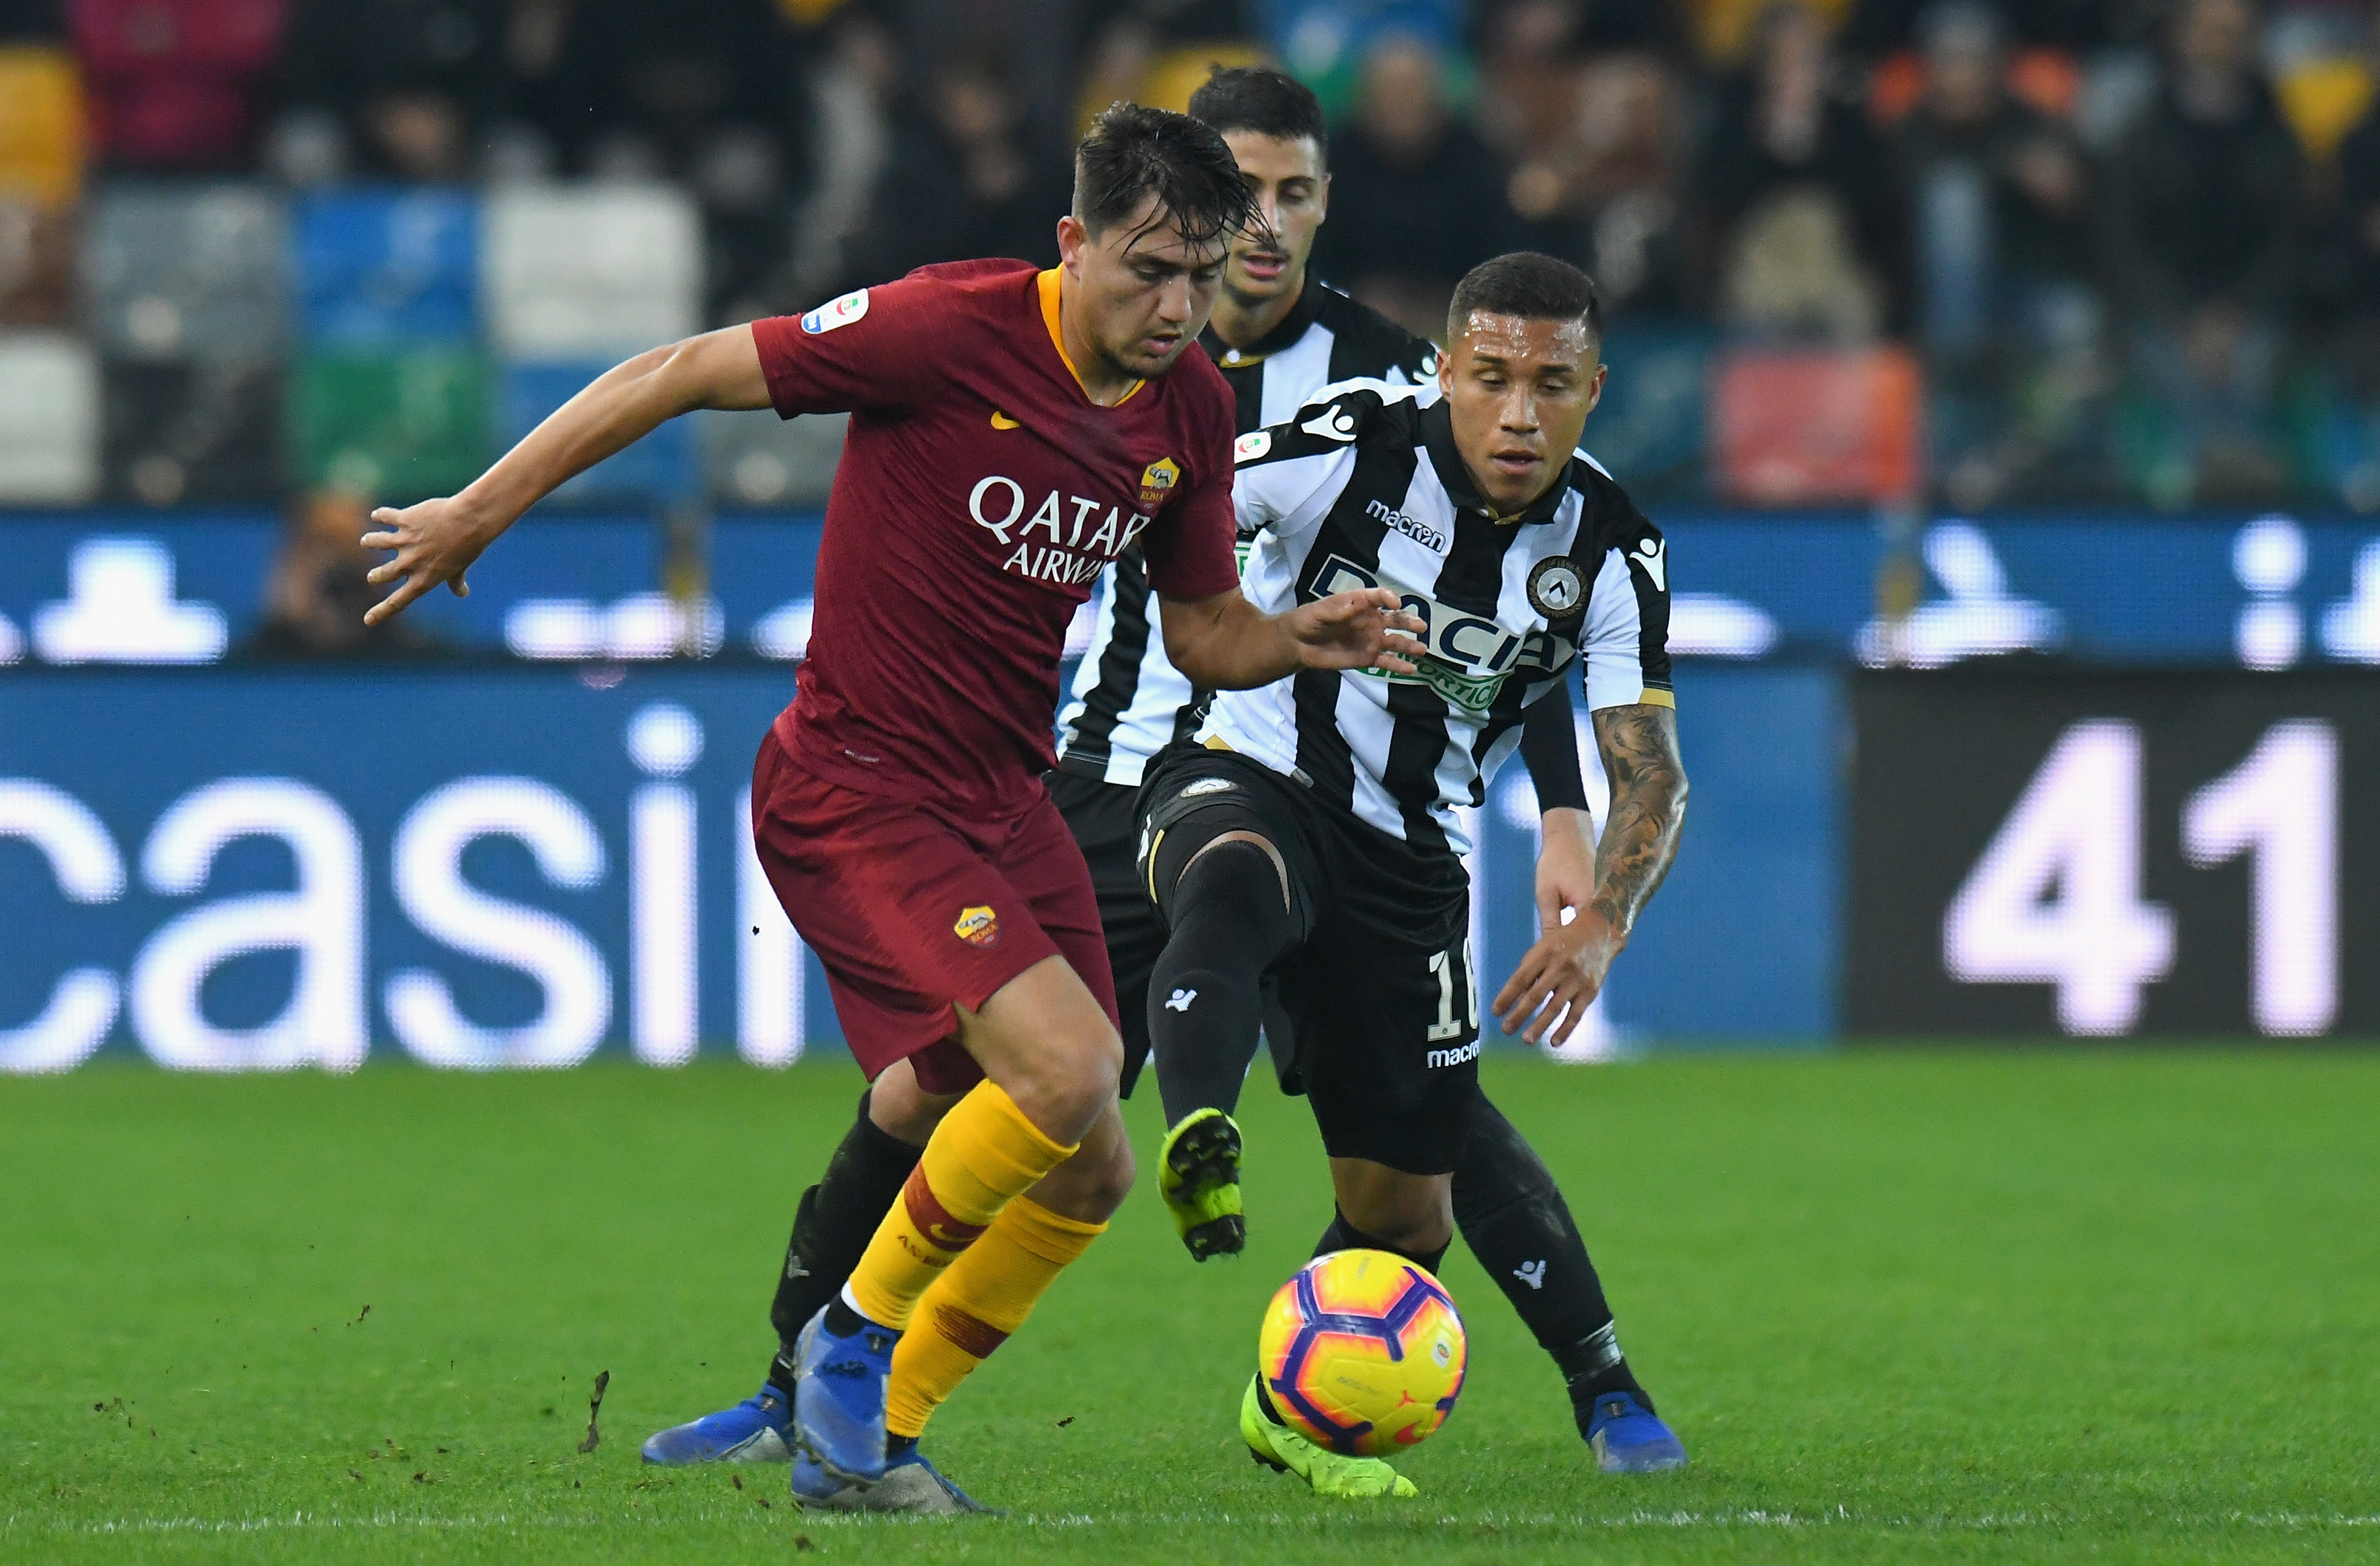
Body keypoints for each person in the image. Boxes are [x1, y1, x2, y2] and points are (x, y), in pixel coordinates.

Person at [358, 103, 1422, 1512]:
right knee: (1059, 1069)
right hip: (855, 787)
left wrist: (1302, 634)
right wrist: (480, 510)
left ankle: (871, 1433)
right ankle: (843, 1344)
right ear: (1072, 243)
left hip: (1003, 797)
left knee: (1085, 1157)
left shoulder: (1189, 412)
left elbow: (1205, 627)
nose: (1178, 307)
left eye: (1201, 275)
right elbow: (684, 368)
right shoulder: (943, 329)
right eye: (1147, 269)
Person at [639, 66, 1681, 1505]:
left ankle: (1581, 1373)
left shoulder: (1388, 378)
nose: (1257, 229)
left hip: (1319, 795)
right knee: (959, 1090)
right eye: (1231, 196)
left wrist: (1563, 806)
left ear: (1319, 209)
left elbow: (1511, 609)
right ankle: (798, 1383)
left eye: (1289, 196)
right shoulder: (1116, 353)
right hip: (1112, 770)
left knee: (1401, 1123)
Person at [1146, 251, 1691, 1497]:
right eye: (1488, 377)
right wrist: (1243, 616)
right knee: (1231, 872)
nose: (1516, 413)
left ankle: (1299, 1402)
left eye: (1549, 385)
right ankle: (1198, 1121)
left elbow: (1649, 771)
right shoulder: (1348, 440)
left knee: (1407, 1214)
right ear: (1442, 369)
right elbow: (1181, 502)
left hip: (1414, 858)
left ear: (1593, 390)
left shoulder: (1612, 549)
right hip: (1255, 763)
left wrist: (1603, 911)